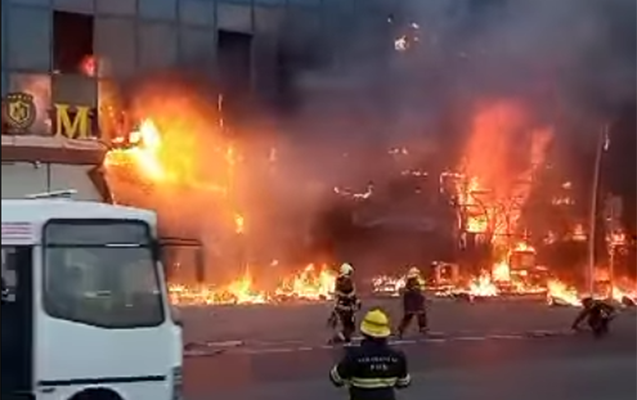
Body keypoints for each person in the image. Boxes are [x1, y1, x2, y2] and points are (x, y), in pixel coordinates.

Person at [329, 308, 411, 400]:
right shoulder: (398, 356)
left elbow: (336, 378)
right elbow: (403, 383)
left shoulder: (354, 355)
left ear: (364, 332)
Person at [329, 263, 361, 343]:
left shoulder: (339, 280)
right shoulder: (347, 281)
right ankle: (340, 338)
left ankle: (343, 337)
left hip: (340, 307)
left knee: (347, 325)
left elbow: (341, 294)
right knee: (349, 326)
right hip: (346, 308)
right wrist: (356, 301)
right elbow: (350, 295)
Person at [397, 267, 427, 338]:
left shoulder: (413, 282)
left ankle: (401, 329)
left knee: (417, 315)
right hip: (414, 303)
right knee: (415, 315)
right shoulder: (412, 283)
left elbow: (418, 291)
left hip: (413, 303)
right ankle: (402, 329)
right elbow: (415, 292)